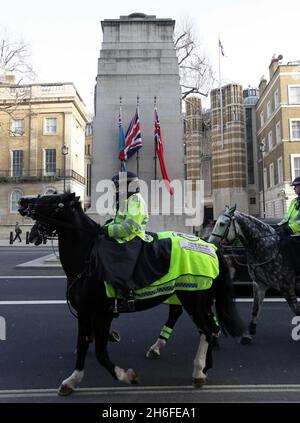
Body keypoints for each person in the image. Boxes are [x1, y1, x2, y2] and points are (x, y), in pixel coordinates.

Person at [98, 171, 153, 301]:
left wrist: (107, 231)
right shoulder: (126, 200)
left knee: (115, 255)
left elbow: (128, 228)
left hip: (133, 238)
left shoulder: (136, 201)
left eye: (119, 186)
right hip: (123, 236)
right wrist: (105, 226)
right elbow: (118, 220)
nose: (116, 189)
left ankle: (126, 289)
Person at [274, 176, 300, 272]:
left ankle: (296, 270)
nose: (294, 188)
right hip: (293, 231)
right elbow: (287, 218)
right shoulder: (294, 201)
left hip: (297, 233)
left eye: (296, 186)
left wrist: (290, 228)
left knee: (287, 243)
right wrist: (278, 225)